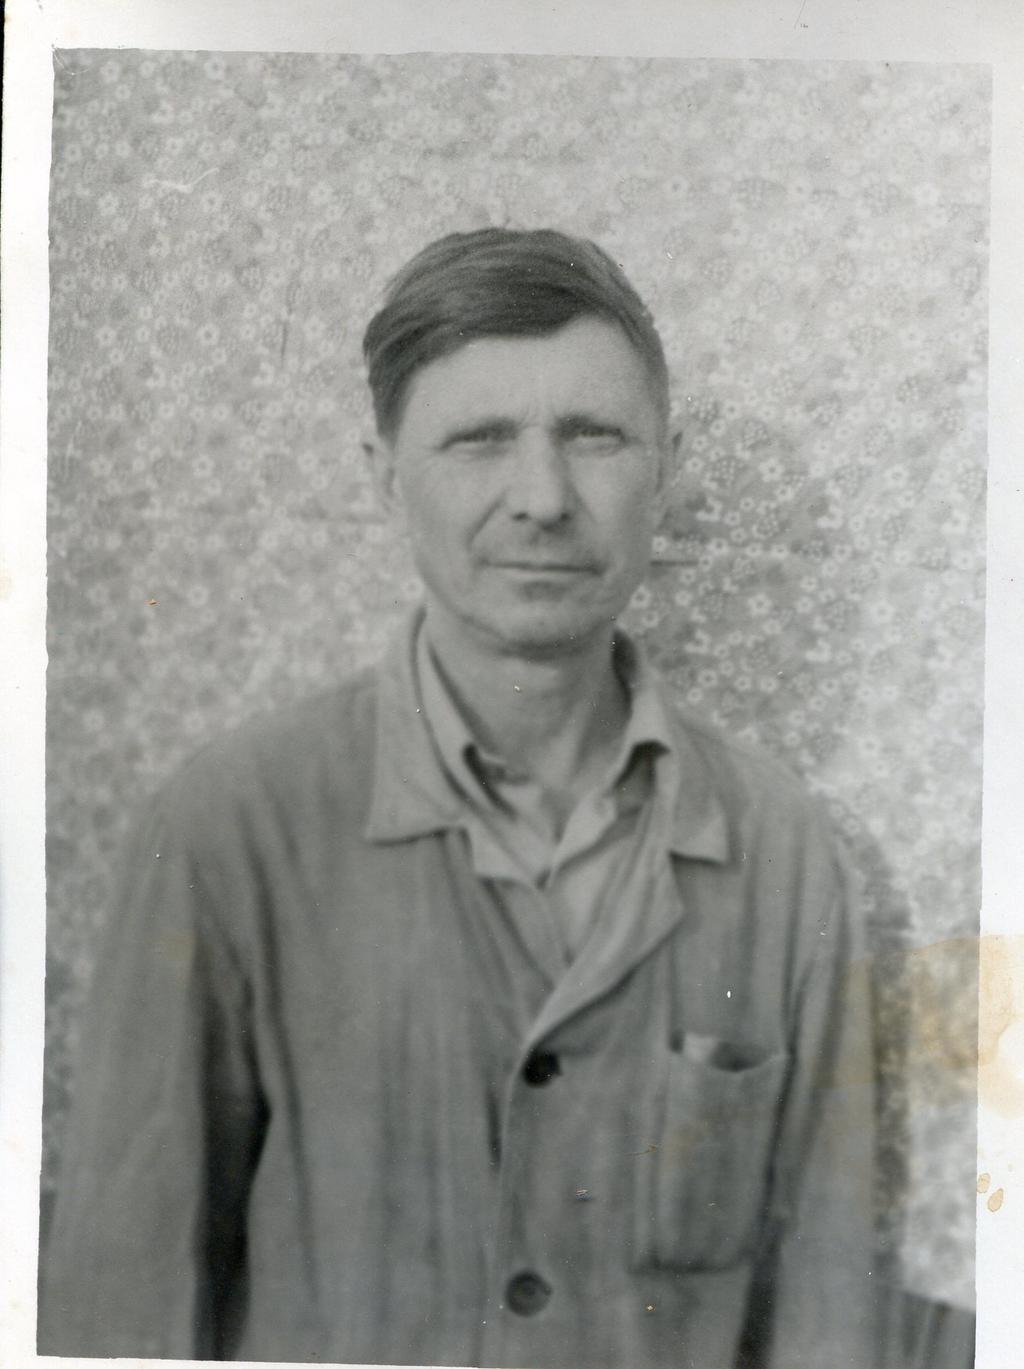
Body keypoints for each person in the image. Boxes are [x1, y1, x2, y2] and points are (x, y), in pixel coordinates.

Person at [39, 228, 877, 1367]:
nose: (543, 497)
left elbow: (826, 1314)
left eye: (594, 436)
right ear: (384, 478)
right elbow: (121, 1310)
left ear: (666, 470)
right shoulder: (226, 830)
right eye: (480, 439)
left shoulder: (785, 853)